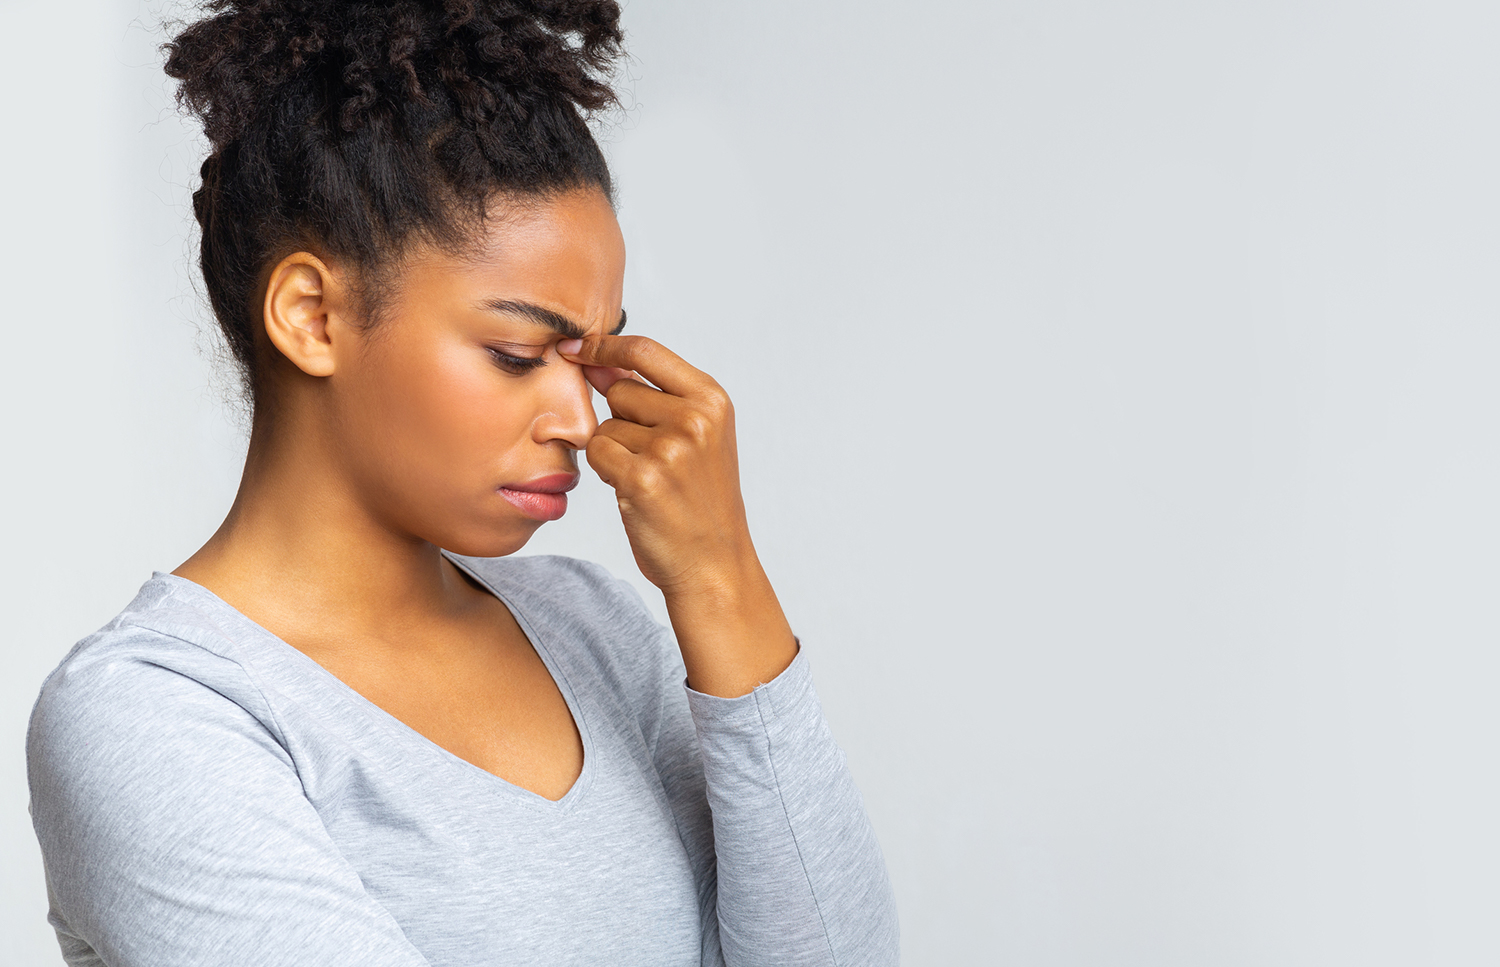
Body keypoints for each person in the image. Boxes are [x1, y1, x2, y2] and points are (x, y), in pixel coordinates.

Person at [24, 1, 900, 965]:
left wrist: (723, 581)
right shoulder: (157, 714)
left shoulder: (598, 632)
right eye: (517, 352)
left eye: (586, 357)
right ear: (312, 316)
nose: (579, 415)